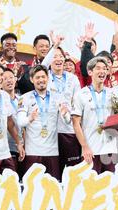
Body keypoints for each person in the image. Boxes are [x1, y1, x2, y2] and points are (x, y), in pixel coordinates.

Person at [17, 64, 70, 181]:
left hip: (52, 151)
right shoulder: (24, 98)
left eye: (43, 77)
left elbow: (67, 121)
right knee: (32, 189)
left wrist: (65, 113)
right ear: (32, 79)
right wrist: (30, 118)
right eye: (37, 77)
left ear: (48, 78)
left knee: (53, 188)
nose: (41, 80)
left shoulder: (58, 97)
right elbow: (20, 122)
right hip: (33, 151)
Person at [72, 57, 118, 174]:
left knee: (110, 185)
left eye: (105, 69)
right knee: (90, 187)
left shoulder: (113, 94)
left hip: (109, 148)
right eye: (98, 68)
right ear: (90, 72)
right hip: (91, 149)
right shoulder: (81, 94)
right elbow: (76, 123)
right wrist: (85, 147)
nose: (102, 71)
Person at [47, 47, 82, 176]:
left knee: (73, 170)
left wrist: (69, 111)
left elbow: (78, 102)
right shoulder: (44, 77)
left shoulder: (73, 79)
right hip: (51, 130)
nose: (58, 59)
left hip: (69, 130)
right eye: (54, 56)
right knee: (54, 170)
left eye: (60, 56)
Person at [2, 67, 23, 177]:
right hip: (7, 148)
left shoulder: (22, 100)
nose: (9, 80)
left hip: (23, 147)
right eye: (5, 78)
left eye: (11, 77)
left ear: (15, 79)